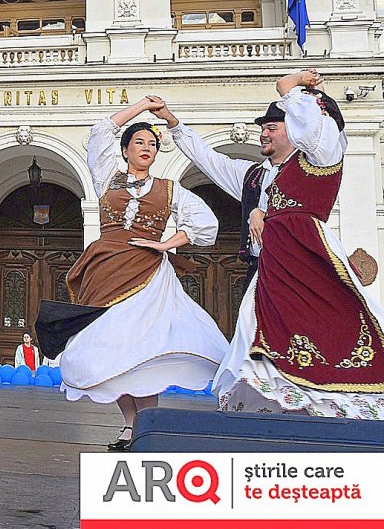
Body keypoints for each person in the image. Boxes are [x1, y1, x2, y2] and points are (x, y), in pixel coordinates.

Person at [160, 72, 384, 418]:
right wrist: (175, 124)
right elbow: (208, 158)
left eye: (273, 126)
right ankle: (275, 410)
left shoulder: (321, 152)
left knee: (320, 328)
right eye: (263, 127)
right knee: (257, 333)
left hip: (303, 259)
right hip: (268, 266)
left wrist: (296, 91)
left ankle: (319, 404)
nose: (264, 132)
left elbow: (316, 128)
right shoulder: (254, 175)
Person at [35, 96, 228, 451]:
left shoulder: (170, 189)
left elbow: (205, 224)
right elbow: (100, 131)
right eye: (139, 142)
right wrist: (140, 107)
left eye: (153, 144)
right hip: (106, 269)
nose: (147, 148)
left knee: (144, 347)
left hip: (148, 274)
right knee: (110, 346)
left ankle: (144, 426)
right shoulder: (108, 177)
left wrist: (167, 243)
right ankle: (131, 423)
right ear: (125, 150)